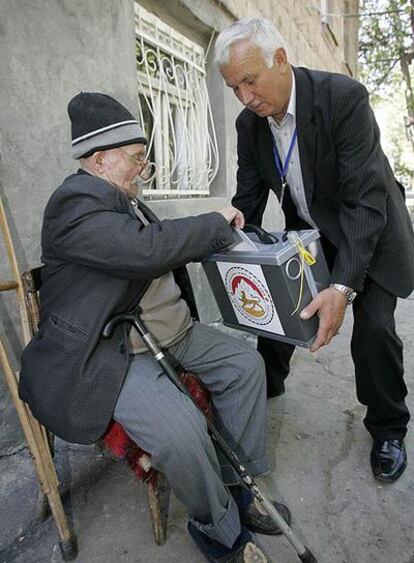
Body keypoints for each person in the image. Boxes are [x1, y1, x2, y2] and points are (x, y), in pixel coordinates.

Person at [18, 92, 291, 562]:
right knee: (181, 430)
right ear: (102, 160)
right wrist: (213, 222)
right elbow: (144, 250)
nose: (143, 170)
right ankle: (218, 527)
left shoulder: (122, 199)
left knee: (246, 365)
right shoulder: (73, 204)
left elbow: (157, 243)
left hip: (174, 332)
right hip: (117, 350)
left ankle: (236, 488)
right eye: (137, 159)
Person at [215, 17, 414, 483]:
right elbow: (248, 198)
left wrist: (344, 287)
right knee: (277, 305)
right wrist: (228, 235)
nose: (245, 97)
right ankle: (266, 383)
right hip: (314, 230)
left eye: (250, 81)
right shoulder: (251, 124)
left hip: (373, 228)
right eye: (233, 87)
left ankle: (388, 427)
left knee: (374, 330)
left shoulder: (342, 98)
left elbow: (367, 200)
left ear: (280, 59)